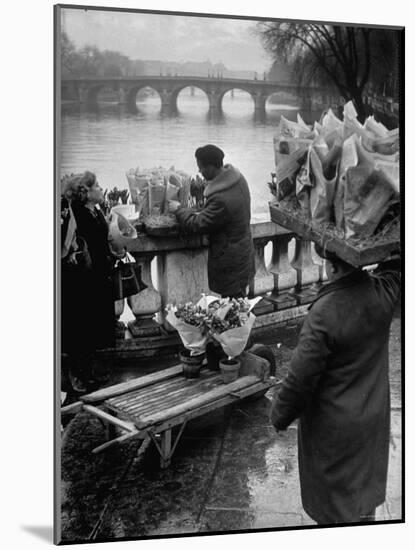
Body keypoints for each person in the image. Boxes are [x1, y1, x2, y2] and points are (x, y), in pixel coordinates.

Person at [270, 244, 401, 525]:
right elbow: (397, 267)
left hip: (334, 432)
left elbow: (299, 380)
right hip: (372, 421)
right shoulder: (383, 292)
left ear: (329, 266)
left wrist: (280, 416)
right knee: (363, 502)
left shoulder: (324, 312)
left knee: (335, 512)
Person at [168, 144, 255, 299]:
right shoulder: (238, 179)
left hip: (231, 260)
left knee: (232, 307)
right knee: (238, 302)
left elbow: (198, 224)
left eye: (201, 167)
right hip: (244, 251)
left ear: (211, 167)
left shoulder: (221, 198)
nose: (199, 172)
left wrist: (178, 209)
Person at [61, 171, 120, 393]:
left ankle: (86, 374)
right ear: (85, 193)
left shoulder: (94, 211)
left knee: (91, 327)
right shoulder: (76, 213)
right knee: (80, 329)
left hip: (96, 277)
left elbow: (101, 241)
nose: (100, 188)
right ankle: (78, 377)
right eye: (96, 185)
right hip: (81, 280)